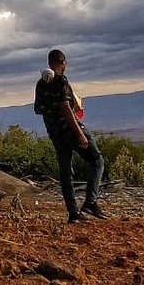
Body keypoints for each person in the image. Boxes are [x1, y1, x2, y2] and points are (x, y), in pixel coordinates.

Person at [35, 49, 107, 222]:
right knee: (97, 161)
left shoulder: (40, 84)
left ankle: (73, 213)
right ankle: (90, 202)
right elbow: (66, 108)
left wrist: (50, 108)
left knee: (66, 172)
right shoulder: (61, 80)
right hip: (70, 129)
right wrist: (80, 133)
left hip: (55, 133)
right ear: (63, 63)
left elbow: (38, 109)